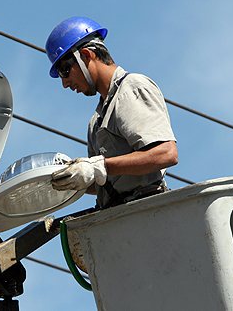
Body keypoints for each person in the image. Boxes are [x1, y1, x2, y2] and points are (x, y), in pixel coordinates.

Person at [46, 16, 178, 209]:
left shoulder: (131, 88)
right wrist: (72, 178)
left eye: (65, 71)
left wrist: (98, 167)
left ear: (86, 55)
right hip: (118, 219)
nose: (65, 83)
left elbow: (165, 153)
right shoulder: (96, 121)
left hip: (148, 213)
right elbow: (102, 180)